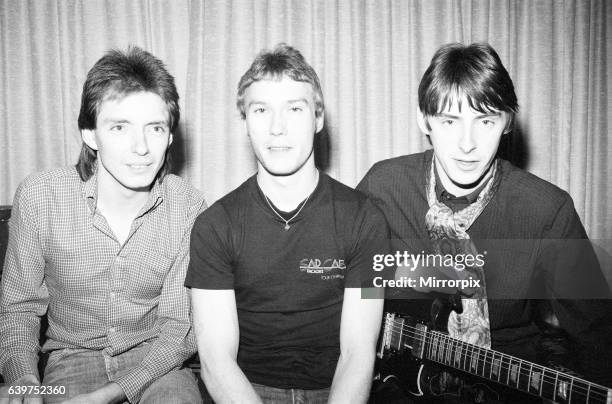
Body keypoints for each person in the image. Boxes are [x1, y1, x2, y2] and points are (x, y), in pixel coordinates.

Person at [357, 43, 612, 402]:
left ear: (507, 123)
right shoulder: (383, 187)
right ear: (424, 120)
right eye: (449, 121)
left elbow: (596, 334)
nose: (467, 144)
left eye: (486, 121)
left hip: (505, 388)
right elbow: (338, 293)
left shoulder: (547, 210)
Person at [185, 43, 389, 404]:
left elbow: (359, 352)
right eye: (261, 110)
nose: (277, 128)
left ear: (318, 117)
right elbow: (216, 361)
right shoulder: (213, 226)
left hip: (337, 390)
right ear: (245, 120)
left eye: (295, 108)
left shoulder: (367, 220)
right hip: (246, 391)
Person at [0, 47, 206, 404]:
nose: (141, 148)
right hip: (69, 360)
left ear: (170, 136)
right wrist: (26, 383)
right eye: (119, 127)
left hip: (157, 363)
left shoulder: (188, 205)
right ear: (91, 135)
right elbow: (18, 309)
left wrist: (109, 394)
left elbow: (178, 330)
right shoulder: (40, 196)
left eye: (155, 128)